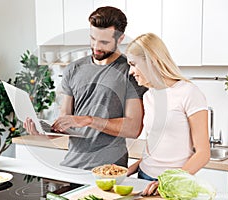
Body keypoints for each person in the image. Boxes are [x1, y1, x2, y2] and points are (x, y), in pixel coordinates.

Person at [24, 6, 148, 170]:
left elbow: (133, 129)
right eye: (92, 39)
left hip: (109, 171)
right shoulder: (73, 69)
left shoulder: (130, 71)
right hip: (71, 166)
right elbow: (65, 121)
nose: (96, 46)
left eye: (104, 42)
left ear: (120, 39)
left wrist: (88, 120)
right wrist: (44, 132)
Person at [125, 33, 210, 196]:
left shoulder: (189, 93)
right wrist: (129, 171)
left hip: (174, 185)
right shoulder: (148, 95)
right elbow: (155, 148)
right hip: (144, 180)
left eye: (134, 64)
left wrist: (167, 184)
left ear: (152, 61)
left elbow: (203, 153)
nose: (131, 71)